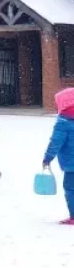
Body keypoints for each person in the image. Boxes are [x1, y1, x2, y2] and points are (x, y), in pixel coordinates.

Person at [43, 87, 74, 224]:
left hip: (71, 164)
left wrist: (47, 158)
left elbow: (55, 143)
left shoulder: (63, 123)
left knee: (70, 188)